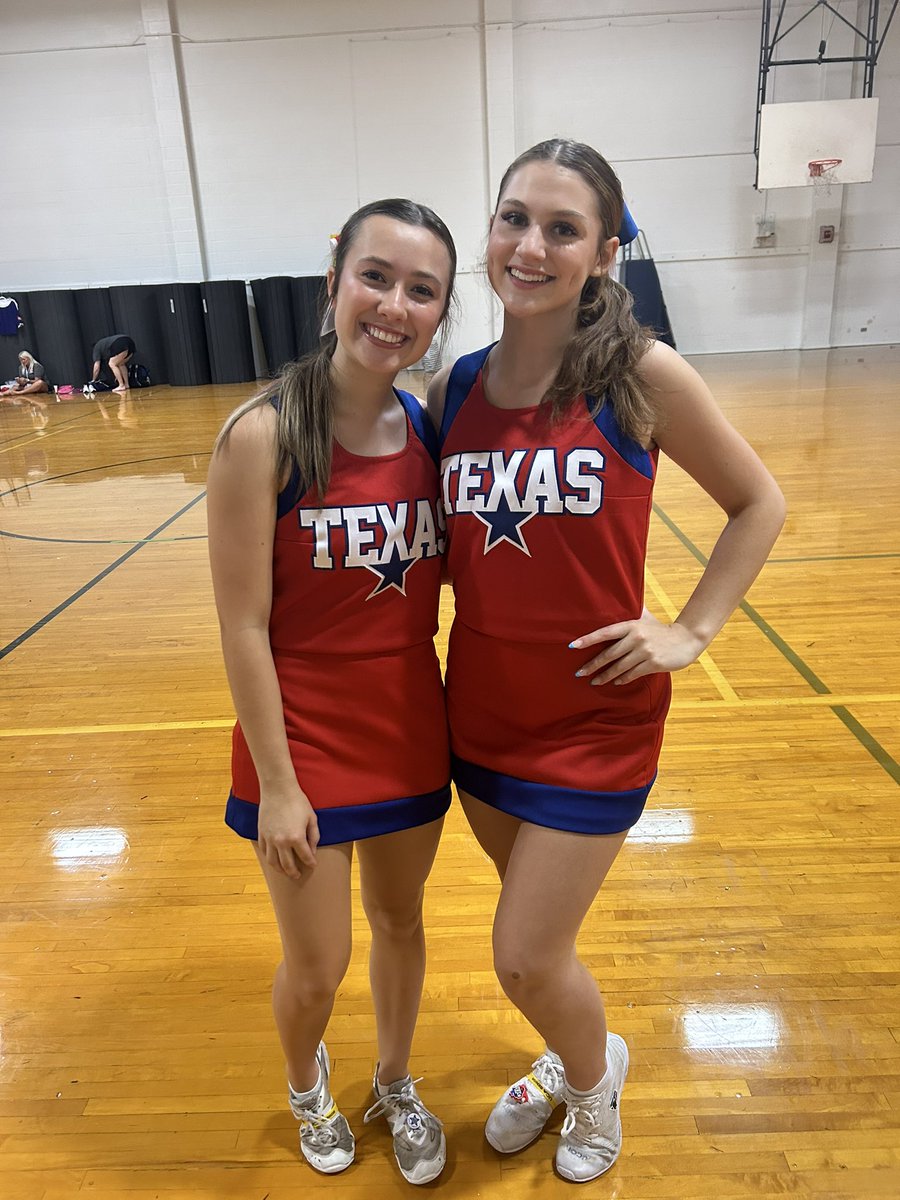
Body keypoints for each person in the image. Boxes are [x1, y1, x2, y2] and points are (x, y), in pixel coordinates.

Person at [427, 139, 786, 1184]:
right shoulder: (455, 387)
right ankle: (573, 1051)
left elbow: (759, 501)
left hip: (596, 720)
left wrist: (692, 628)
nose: (529, 245)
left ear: (604, 253)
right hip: (481, 714)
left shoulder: (637, 373)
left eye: (562, 228)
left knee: (524, 954)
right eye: (512, 219)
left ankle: (596, 1079)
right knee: (539, 951)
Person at [207, 198, 457, 1185]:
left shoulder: (431, 432)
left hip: (407, 731)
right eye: (377, 277)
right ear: (334, 282)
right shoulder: (260, 437)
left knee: (401, 925)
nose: (394, 305)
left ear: (440, 313)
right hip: (299, 745)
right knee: (318, 966)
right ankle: (307, 1085)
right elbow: (243, 627)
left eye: (422, 290)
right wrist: (277, 782)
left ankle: (395, 1080)